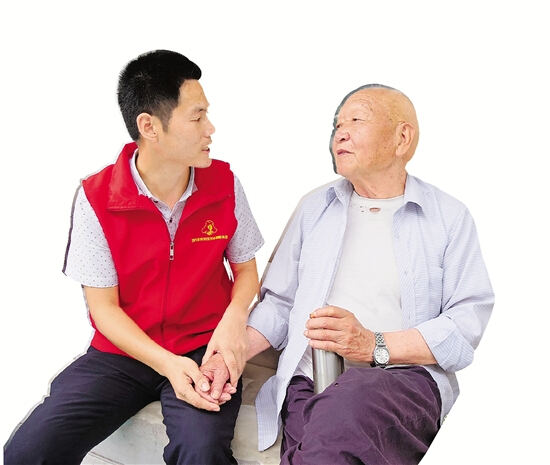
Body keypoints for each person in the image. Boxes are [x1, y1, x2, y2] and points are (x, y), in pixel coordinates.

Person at [4, 50, 263, 465]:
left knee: (201, 452)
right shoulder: (96, 197)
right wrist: (167, 364)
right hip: (121, 354)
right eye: (197, 117)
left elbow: (246, 270)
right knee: (27, 452)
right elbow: (103, 309)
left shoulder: (224, 183)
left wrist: (233, 323)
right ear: (149, 126)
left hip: (203, 349)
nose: (210, 128)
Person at [244, 84, 494, 464]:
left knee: (340, 414)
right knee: (320, 440)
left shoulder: (448, 216)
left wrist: (373, 344)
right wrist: (229, 354)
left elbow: (464, 327)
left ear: (402, 138)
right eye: (337, 125)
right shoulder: (314, 207)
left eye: (356, 120)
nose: (339, 134)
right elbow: (278, 303)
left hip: (403, 379)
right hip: (309, 377)